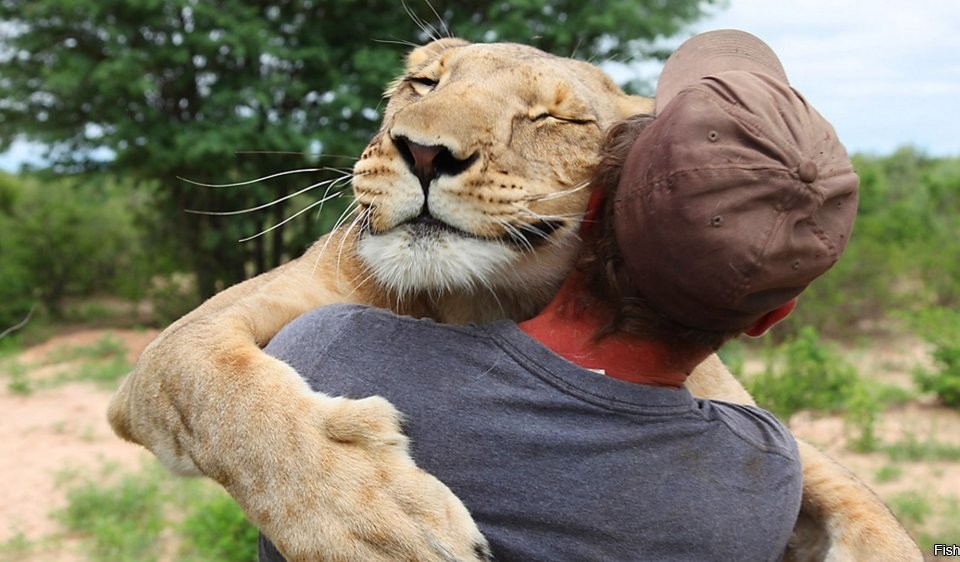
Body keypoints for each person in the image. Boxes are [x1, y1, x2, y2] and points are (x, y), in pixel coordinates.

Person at [258, 29, 858, 562]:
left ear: (597, 201)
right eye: (420, 83)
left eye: (558, 121)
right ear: (773, 316)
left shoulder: (329, 352)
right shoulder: (766, 477)